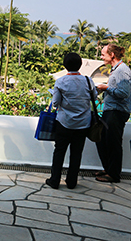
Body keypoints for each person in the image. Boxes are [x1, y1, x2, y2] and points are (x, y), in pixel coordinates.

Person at [46, 52, 96, 189]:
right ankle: (72, 181)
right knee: (76, 153)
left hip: (64, 123)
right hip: (83, 124)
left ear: (65, 65)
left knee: (59, 151)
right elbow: (94, 98)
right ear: (80, 65)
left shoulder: (61, 81)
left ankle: (55, 180)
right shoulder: (88, 81)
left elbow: (55, 103)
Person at [95, 44, 131, 183]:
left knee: (113, 143)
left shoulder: (122, 70)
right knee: (103, 140)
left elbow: (123, 93)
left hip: (116, 111)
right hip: (111, 110)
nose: (101, 56)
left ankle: (114, 174)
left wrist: (106, 88)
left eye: (103, 54)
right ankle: (108, 169)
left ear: (112, 55)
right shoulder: (116, 69)